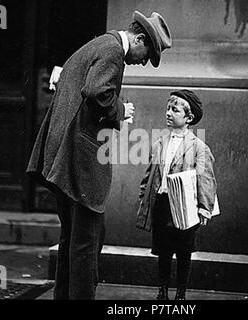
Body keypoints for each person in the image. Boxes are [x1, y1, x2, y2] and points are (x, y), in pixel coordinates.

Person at [26, 11, 172, 300]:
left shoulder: (97, 45)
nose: (143, 62)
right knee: (87, 243)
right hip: (80, 163)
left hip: (62, 158)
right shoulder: (113, 52)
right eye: (148, 54)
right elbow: (96, 91)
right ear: (139, 38)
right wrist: (120, 111)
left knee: (72, 240)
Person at [136, 89, 218, 300]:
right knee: (163, 251)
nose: (169, 113)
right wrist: (144, 198)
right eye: (167, 108)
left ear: (189, 118)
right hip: (162, 205)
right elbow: (150, 175)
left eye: (175, 110)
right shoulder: (159, 144)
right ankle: (162, 291)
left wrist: (204, 207)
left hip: (185, 206)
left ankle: (181, 294)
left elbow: (206, 179)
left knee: (183, 252)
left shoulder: (199, 147)